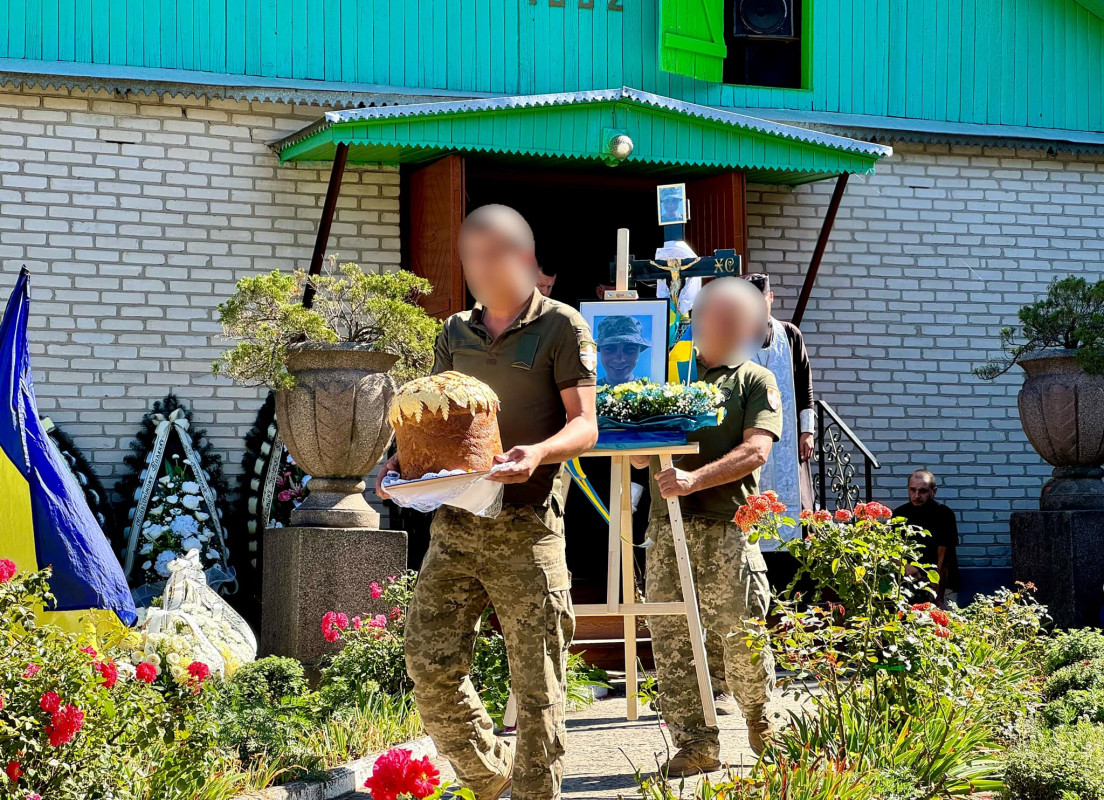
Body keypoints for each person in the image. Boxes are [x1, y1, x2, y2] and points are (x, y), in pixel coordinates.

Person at [376, 204, 598, 800]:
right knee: (428, 662)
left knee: (537, 684)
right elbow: (438, 416)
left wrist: (538, 453)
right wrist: (403, 465)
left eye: (492, 255)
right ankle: (489, 774)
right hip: (454, 523)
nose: (478, 268)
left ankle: (534, 793)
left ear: (524, 258)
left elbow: (586, 427)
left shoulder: (562, 327)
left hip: (527, 527)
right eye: (470, 257)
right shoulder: (452, 332)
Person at [630, 277, 782, 776]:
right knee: (672, 640)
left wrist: (695, 479)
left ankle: (765, 730)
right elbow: (639, 448)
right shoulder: (667, 376)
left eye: (726, 318)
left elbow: (757, 449)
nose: (712, 324)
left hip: (726, 530)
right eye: (706, 315)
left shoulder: (755, 379)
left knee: (741, 637)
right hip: (665, 529)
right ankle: (696, 745)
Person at [742, 272, 815, 515]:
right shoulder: (734, 339)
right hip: (751, 432)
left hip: (788, 434)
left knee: (796, 501)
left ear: (770, 298)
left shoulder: (791, 335)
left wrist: (807, 431)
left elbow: (805, 385)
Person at [894, 469, 961, 607]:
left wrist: (939, 598)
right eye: (912, 490)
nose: (916, 495)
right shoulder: (900, 514)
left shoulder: (944, 515)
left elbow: (944, 561)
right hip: (910, 585)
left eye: (923, 491)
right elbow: (892, 551)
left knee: (945, 624)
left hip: (943, 585)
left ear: (933, 491)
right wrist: (904, 565)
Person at [596, 315, 651, 385]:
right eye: (610, 349)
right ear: (599, 350)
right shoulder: (586, 393)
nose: (619, 359)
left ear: (639, 350)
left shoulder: (654, 393)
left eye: (629, 349)